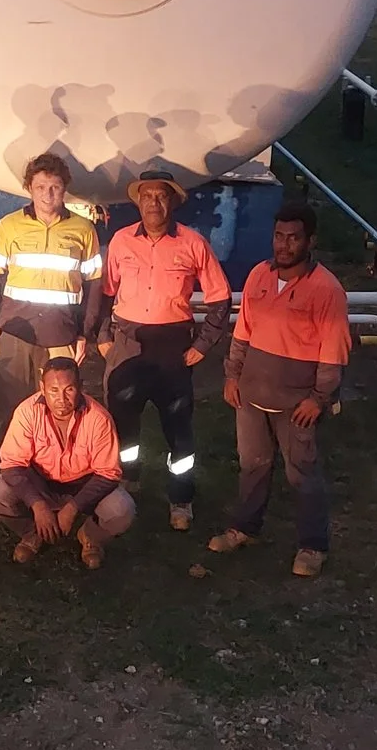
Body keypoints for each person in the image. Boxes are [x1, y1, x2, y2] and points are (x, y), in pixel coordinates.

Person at [209, 203, 351, 577]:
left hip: (297, 403)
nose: (284, 245)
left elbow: (334, 351)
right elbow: (243, 332)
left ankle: (312, 546)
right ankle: (245, 528)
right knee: (252, 465)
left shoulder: (327, 291)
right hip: (252, 396)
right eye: (279, 236)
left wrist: (319, 399)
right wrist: (232, 375)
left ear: (310, 241)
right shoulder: (258, 276)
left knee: (300, 473)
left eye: (293, 238)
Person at [97, 173, 230, 530]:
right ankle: (126, 484)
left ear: (172, 202)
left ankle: (181, 500)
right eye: (147, 196)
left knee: (178, 427)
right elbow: (104, 293)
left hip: (173, 348)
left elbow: (220, 298)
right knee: (121, 423)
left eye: (161, 196)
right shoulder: (121, 241)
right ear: (138, 202)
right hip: (127, 344)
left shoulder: (194, 243)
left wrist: (203, 344)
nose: (154, 203)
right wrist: (102, 336)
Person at [0, 153, 105, 423]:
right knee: (12, 406)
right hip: (16, 332)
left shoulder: (83, 229)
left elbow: (94, 287)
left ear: (64, 188)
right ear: (29, 188)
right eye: (40, 187)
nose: (47, 195)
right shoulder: (8, 226)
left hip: (61, 333)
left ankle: (59, 463)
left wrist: (85, 333)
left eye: (55, 188)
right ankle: (10, 463)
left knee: (60, 406)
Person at [0, 356, 135, 567]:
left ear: (80, 387)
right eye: (53, 390)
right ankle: (33, 533)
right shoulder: (27, 412)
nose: (61, 399)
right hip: (39, 482)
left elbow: (109, 473)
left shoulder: (99, 418)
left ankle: (91, 537)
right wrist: (37, 505)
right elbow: (11, 464)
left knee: (123, 510)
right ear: (42, 387)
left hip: (83, 484)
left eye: (69, 390)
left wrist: (73, 507)